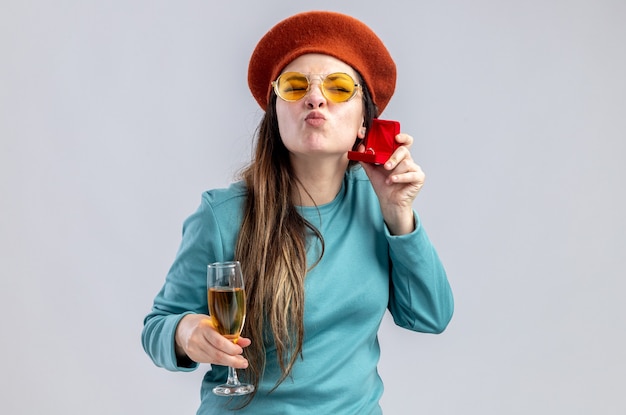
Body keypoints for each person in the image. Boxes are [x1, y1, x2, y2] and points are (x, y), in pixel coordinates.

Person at [142, 10, 454, 415]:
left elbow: (431, 317)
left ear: (365, 121)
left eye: (339, 88)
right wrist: (186, 333)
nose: (316, 97)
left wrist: (399, 214)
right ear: (275, 113)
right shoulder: (222, 216)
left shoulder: (381, 202)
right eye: (294, 86)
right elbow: (158, 326)